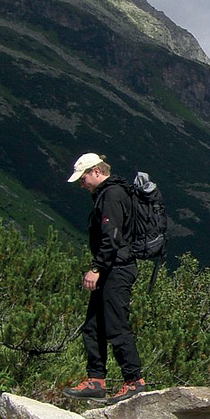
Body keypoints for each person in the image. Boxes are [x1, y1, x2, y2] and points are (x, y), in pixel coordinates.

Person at [63, 153, 147, 402]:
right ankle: (96, 380)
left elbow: (112, 237)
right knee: (93, 326)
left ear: (96, 171)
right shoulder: (112, 193)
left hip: (116, 269)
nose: (82, 184)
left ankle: (134, 380)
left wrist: (96, 268)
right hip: (113, 268)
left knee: (116, 326)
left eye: (83, 178)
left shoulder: (111, 195)